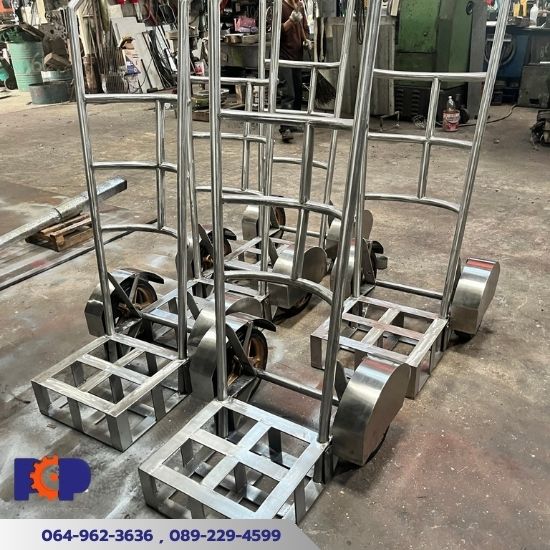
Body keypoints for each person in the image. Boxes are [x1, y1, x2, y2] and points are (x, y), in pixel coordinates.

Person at [279, 0, 310, 143]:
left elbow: (304, 28)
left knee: (297, 92)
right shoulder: (280, 6)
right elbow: (275, 32)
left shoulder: (300, 7)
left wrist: (306, 41)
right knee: (288, 93)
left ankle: (294, 122)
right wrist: (290, 21)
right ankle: (285, 128)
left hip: (297, 56)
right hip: (284, 57)